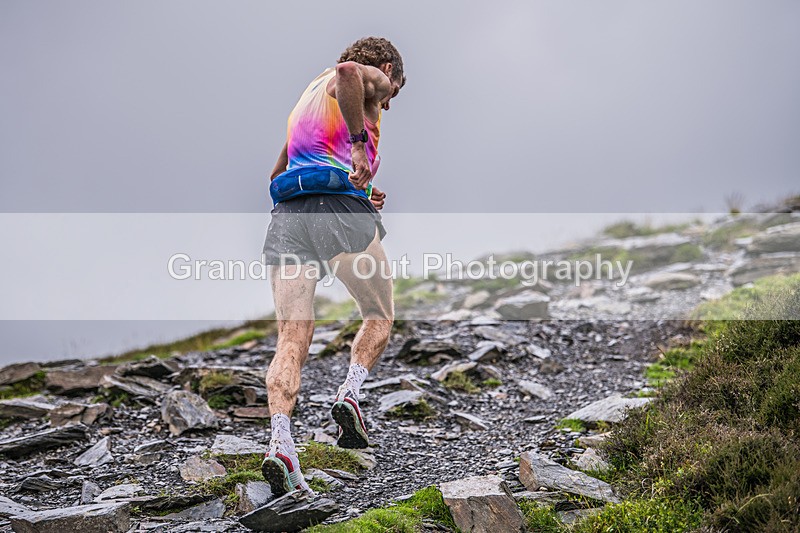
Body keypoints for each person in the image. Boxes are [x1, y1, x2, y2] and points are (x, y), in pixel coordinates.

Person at [259, 36, 405, 496]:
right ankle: (350, 393)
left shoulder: (308, 94)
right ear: (385, 68)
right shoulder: (360, 76)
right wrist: (360, 150)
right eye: (394, 91)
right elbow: (348, 73)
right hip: (336, 210)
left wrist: (359, 184)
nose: (388, 101)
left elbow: (279, 168)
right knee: (380, 315)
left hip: (289, 217)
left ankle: (281, 443)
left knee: (292, 337)